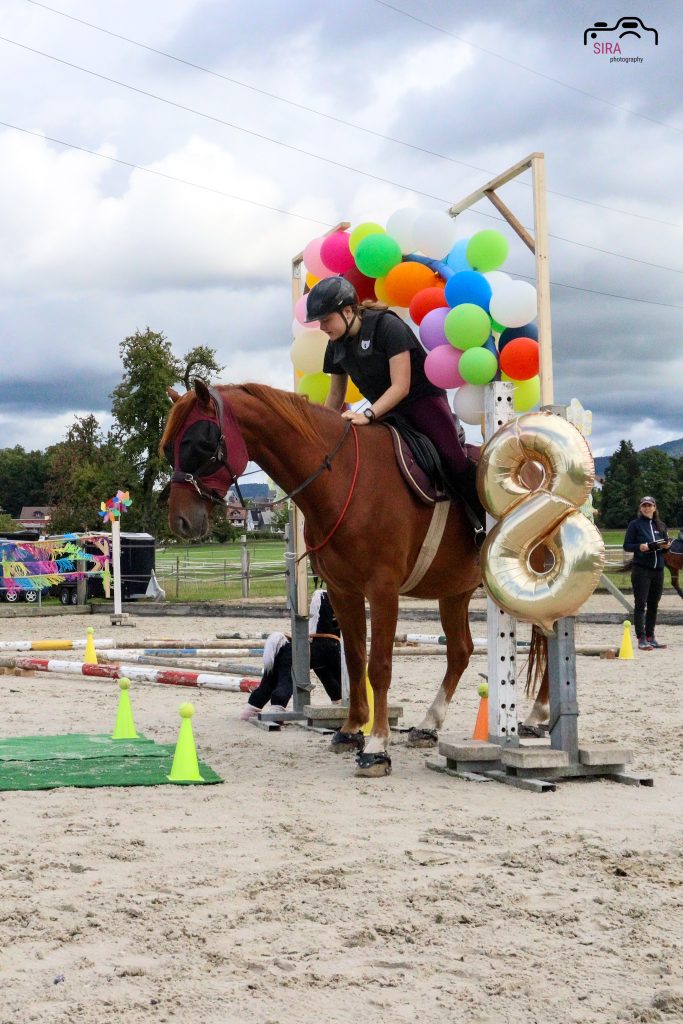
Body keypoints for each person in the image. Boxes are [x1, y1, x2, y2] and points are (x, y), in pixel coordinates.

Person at [306, 276, 482, 529]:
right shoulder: (335, 345)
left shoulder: (387, 326)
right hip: (384, 410)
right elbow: (335, 396)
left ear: (347, 311)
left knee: (452, 458)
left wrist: (367, 415)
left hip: (421, 402)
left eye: (325, 319)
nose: (322, 327)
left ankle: (485, 525)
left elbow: (401, 386)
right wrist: (317, 430)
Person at [240, 589, 342, 719]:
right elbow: (333, 675)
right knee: (287, 680)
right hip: (307, 652)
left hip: (288, 649)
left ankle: (252, 707)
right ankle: (277, 708)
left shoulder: (320, 639)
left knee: (270, 680)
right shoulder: (329, 644)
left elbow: (326, 676)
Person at [623, 496, 671, 650]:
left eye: (649, 505)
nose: (646, 508)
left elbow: (665, 548)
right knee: (640, 604)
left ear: (654, 508)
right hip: (641, 570)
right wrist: (640, 547)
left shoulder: (661, 525)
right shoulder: (635, 525)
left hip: (658, 570)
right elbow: (627, 545)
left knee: (653, 605)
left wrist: (666, 547)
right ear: (640, 508)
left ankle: (651, 636)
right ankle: (641, 638)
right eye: (644, 505)